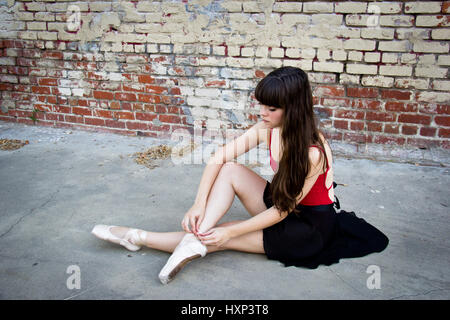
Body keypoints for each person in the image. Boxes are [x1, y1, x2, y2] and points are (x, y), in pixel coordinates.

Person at [91, 66, 389, 284]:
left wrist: (233, 231)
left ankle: (138, 237)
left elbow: (283, 212)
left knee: (222, 236)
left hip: (307, 227)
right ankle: (196, 236)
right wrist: (198, 203)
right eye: (261, 104)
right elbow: (220, 156)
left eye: (271, 108)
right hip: (281, 200)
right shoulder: (268, 128)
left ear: (293, 109)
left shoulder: (312, 152)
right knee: (230, 170)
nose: (262, 112)